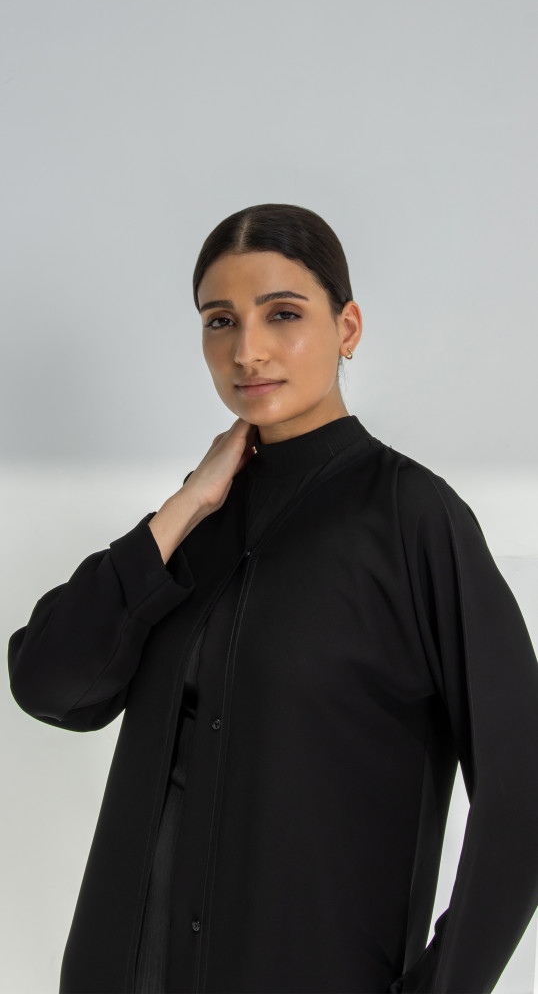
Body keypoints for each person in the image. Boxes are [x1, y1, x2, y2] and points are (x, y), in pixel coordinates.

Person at [7, 202, 538, 994]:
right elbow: (51, 686)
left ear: (347, 327)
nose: (246, 351)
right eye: (219, 321)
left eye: (282, 314)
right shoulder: (196, 524)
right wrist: (182, 508)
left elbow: (521, 792)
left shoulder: (413, 519)